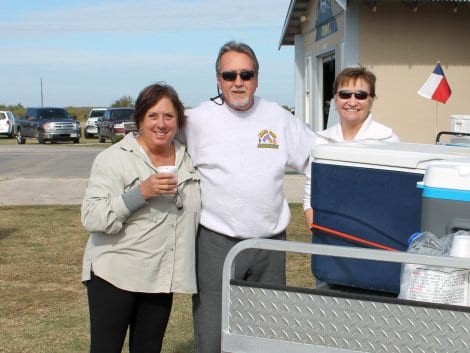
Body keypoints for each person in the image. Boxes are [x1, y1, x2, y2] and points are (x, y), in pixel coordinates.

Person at [184, 40, 317, 353]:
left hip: (269, 243)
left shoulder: (278, 118)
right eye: (229, 75)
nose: (238, 82)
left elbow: (318, 159)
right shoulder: (197, 119)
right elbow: (160, 145)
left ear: (257, 77)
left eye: (246, 74)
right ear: (218, 79)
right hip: (216, 240)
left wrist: (310, 204)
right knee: (212, 330)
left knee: (266, 332)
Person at [81, 82, 200, 353]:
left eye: (169, 116)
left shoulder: (188, 158)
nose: (161, 123)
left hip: (160, 277)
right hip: (114, 275)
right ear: (139, 119)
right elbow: (91, 216)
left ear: (178, 121)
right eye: (153, 116)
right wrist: (140, 193)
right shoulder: (113, 159)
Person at [303, 66, 400, 230]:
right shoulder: (321, 141)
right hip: (328, 232)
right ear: (335, 99)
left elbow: (394, 195)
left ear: (371, 100)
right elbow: (311, 192)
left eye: (361, 95)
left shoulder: (388, 139)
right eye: (345, 94)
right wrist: (316, 227)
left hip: (374, 232)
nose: (352, 101)